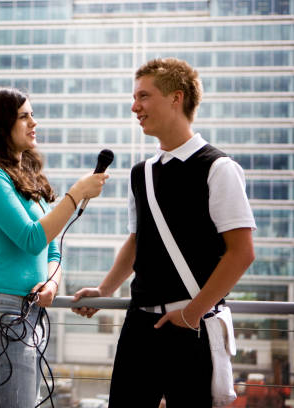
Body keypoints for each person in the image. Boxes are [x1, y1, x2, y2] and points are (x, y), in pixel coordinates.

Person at [71, 58, 256, 407]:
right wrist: (105, 289)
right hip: (139, 324)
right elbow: (137, 241)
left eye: (144, 96)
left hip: (192, 325)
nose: (134, 106)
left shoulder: (219, 168)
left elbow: (242, 252)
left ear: (176, 97)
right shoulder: (140, 173)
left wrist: (192, 313)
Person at [0, 87, 108, 407]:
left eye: (32, 115)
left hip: (29, 310)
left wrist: (52, 282)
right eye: (24, 116)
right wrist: (77, 192)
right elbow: (31, 238)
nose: (33, 123)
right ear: (0, 125)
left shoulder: (26, 180)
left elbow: (51, 248)